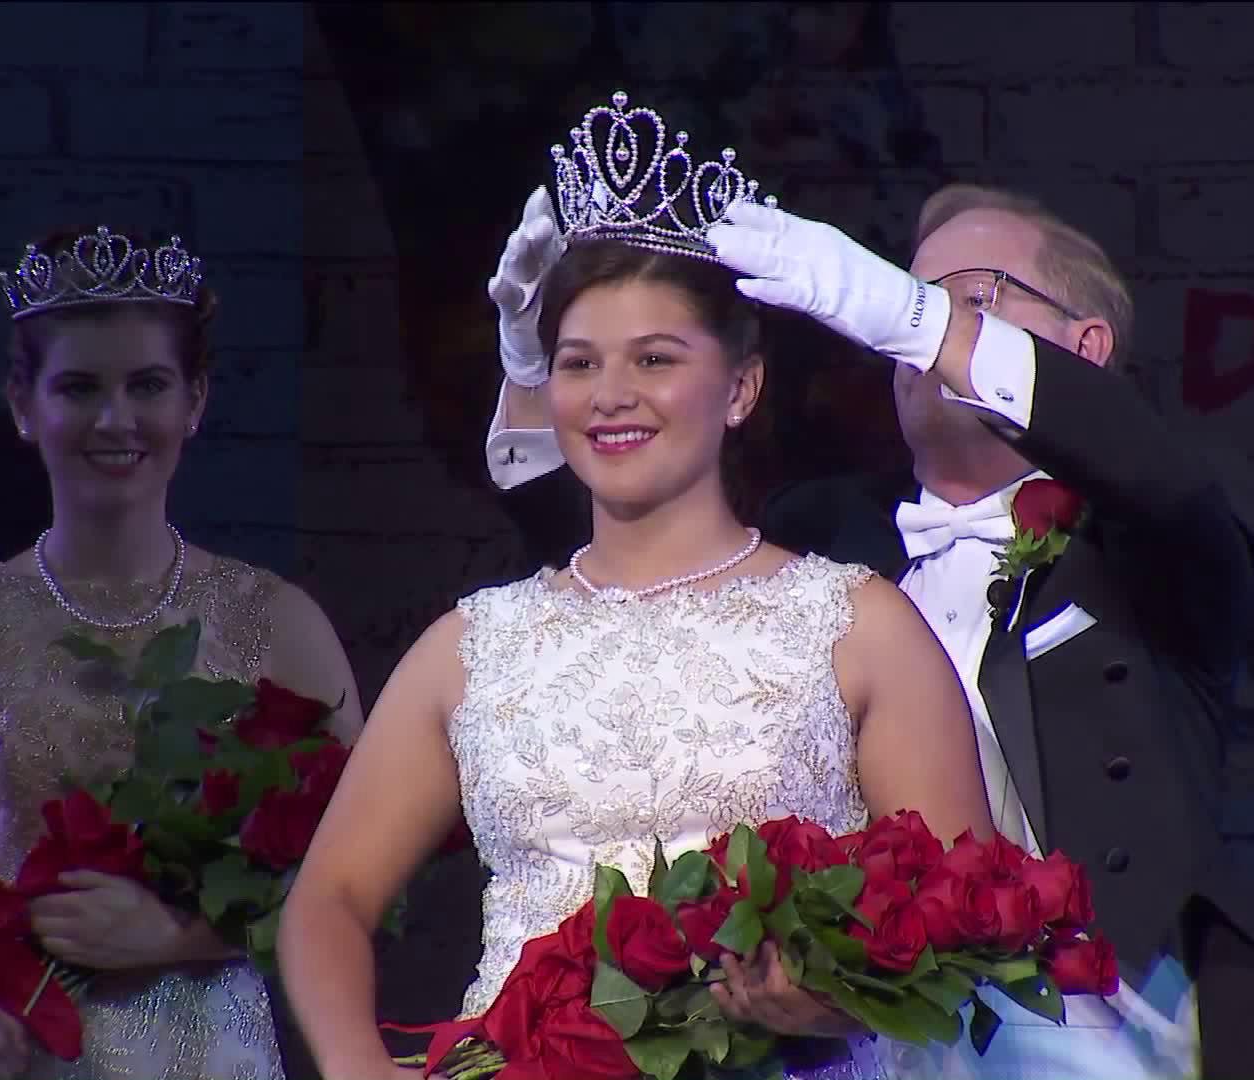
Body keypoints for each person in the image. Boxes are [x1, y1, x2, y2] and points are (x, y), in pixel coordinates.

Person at [483, 183, 1254, 1077]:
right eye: (913, 298)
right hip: (856, 1032)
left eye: (972, 298)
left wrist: (907, 311)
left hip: (1103, 1029)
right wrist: (534, 375)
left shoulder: (1156, 539)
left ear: (1085, 348)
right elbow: (615, 593)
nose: (923, 333)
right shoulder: (822, 534)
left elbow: (1160, 478)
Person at [278, 94, 996, 1080]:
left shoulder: (858, 627)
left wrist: (833, 999)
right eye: (580, 364)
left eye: (655, 359)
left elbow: (968, 914)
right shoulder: (472, 647)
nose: (612, 394)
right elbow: (328, 901)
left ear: (740, 387)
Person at [0, 226, 364, 1080]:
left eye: (149, 385)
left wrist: (180, 935)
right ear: (25, 404)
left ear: (194, 401)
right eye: (80, 387)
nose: (115, 419)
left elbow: (359, 875)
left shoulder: (279, 622)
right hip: (22, 1056)